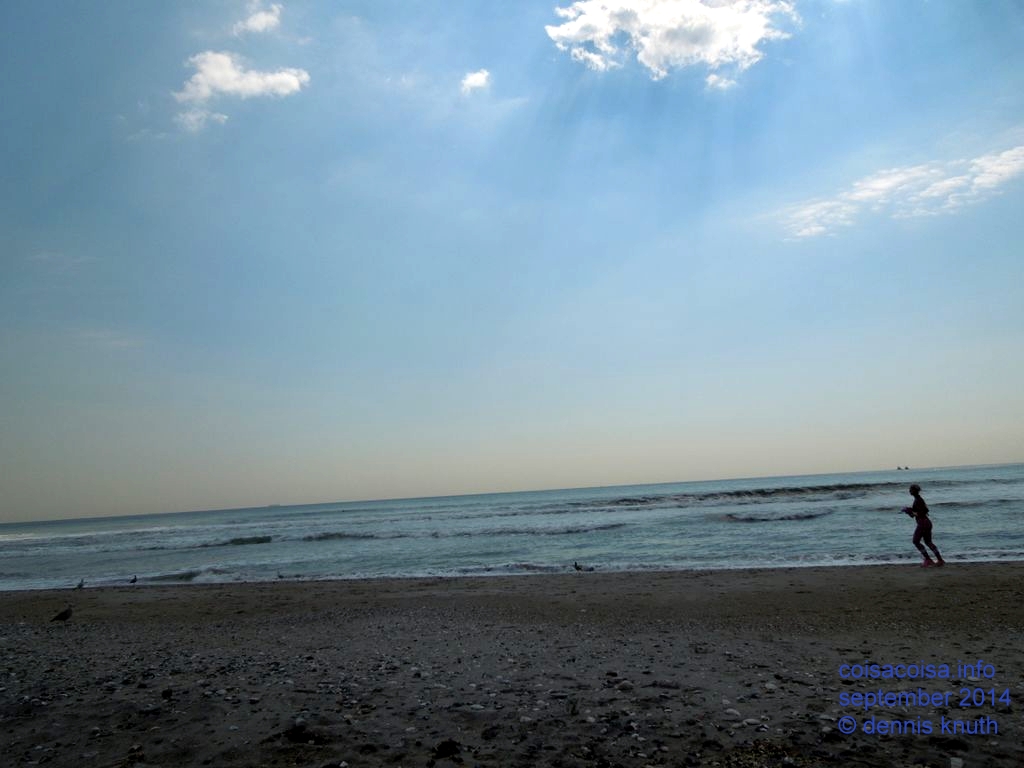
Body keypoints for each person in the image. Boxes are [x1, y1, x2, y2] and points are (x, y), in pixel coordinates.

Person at [902, 483, 944, 567]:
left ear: (914, 491)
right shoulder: (918, 499)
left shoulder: (918, 500)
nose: (909, 491)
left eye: (911, 489)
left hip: (923, 523)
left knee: (916, 541)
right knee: (928, 542)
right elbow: (915, 514)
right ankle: (939, 560)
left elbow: (922, 512)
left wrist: (910, 511)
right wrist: (908, 511)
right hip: (926, 522)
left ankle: (928, 559)